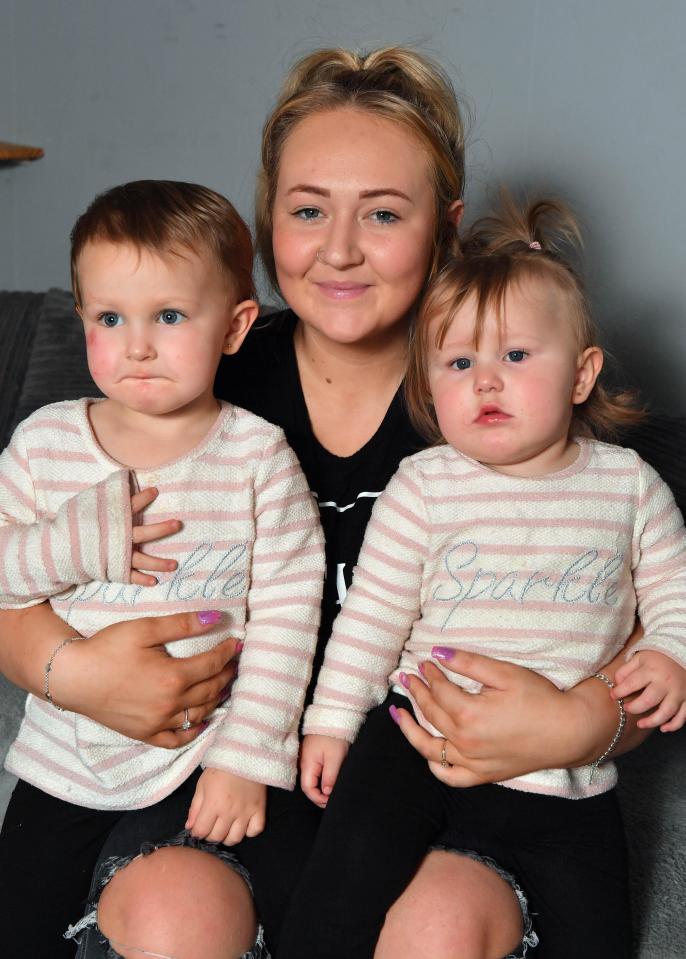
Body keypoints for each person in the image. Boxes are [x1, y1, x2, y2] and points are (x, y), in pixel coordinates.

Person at [0, 48, 652, 959]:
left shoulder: (507, 396)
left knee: (434, 922)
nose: (340, 249)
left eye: (383, 214)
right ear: (268, 225)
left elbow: (627, 624)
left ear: (444, 226)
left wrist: (586, 720)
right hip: (204, 770)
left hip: (448, 782)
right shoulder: (196, 376)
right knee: (177, 913)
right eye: (308, 211)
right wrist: (72, 672)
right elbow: (23, 589)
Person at [280, 194, 686, 959]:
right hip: (413, 745)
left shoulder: (628, 486)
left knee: (597, 930)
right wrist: (331, 721)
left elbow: (675, 592)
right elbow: (372, 617)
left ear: (581, 374)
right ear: (431, 387)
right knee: (337, 889)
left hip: (564, 775)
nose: (486, 382)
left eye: (516, 357)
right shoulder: (426, 483)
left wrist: (671, 650)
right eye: (460, 363)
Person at [0, 180, 324, 959]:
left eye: (169, 316)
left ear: (236, 326)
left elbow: (289, 611)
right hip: (65, 753)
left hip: (211, 750)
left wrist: (250, 756)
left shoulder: (256, 455)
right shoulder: (46, 444)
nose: (136, 344)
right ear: (82, 319)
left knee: (300, 914)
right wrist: (74, 544)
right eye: (110, 318)